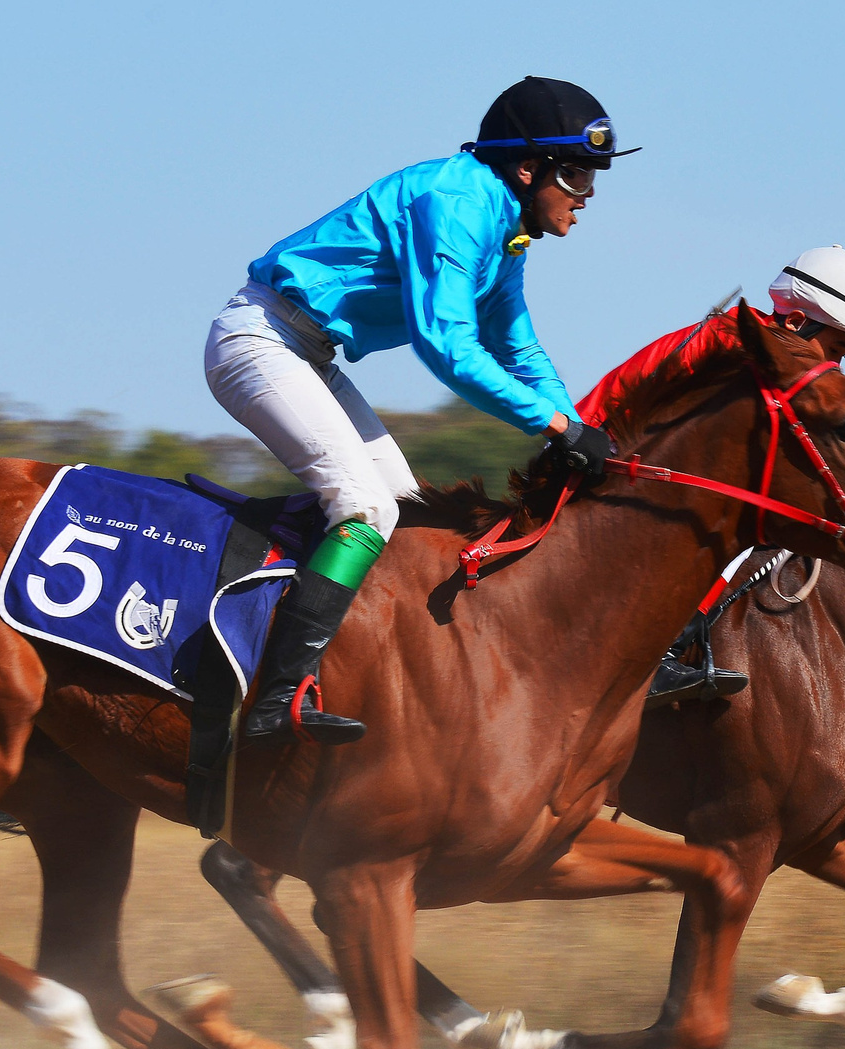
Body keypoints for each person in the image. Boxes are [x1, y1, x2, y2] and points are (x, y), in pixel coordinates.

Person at [203, 77, 634, 747]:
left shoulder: (502, 227)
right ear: (529, 169)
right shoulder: (457, 202)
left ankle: (342, 676)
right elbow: (449, 348)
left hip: (308, 353)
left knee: (403, 515)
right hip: (259, 341)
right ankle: (270, 705)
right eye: (577, 175)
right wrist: (555, 428)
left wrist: (578, 426)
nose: (589, 194)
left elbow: (516, 344)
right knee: (365, 509)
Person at [570, 245, 845, 710]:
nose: (838, 366)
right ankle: (656, 653)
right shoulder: (734, 345)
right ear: (799, 323)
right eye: (838, 348)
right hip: (597, 453)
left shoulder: (768, 354)